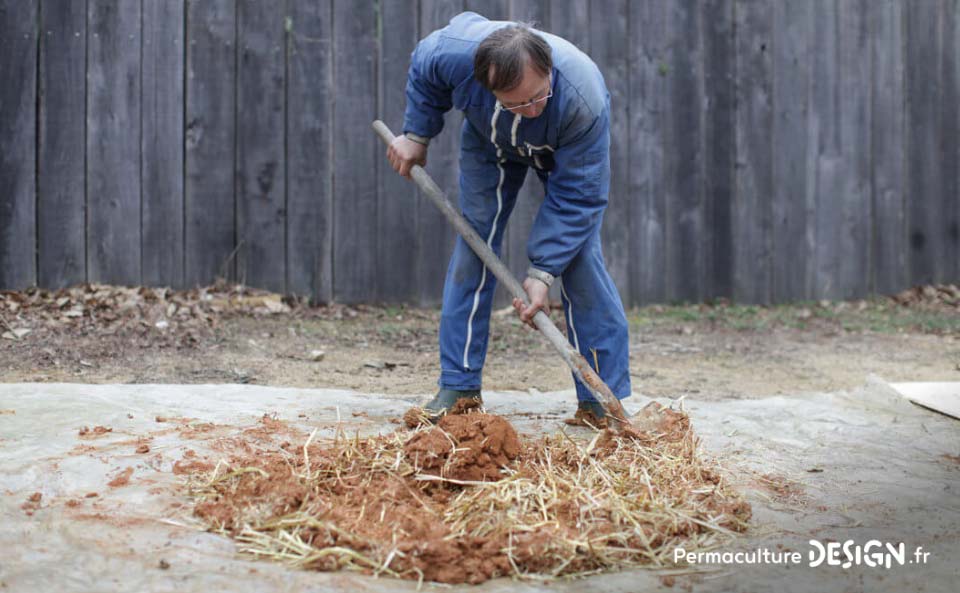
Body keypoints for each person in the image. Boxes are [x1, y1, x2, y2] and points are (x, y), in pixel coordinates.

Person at [385, 12, 630, 424]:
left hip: (562, 152)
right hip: (489, 141)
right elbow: (424, 66)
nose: (530, 110)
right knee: (474, 246)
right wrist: (416, 134)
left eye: (537, 97)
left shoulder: (582, 97)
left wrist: (542, 273)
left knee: (580, 258)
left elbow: (580, 197)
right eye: (515, 102)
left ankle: (599, 402)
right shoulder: (455, 53)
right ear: (487, 84)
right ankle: (459, 387)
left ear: (548, 71)